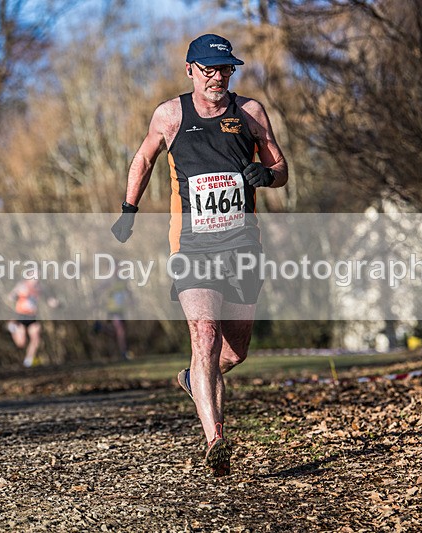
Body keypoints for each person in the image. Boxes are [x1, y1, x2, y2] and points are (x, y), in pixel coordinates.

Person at [111, 34, 288, 476]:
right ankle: (216, 439)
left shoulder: (250, 112)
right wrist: (129, 210)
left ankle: (195, 380)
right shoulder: (170, 115)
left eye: (225, 69)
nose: (217, 77)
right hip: (192, 245)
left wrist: (264, 174)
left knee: (234, 352)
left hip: (243, 244)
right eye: (208, 69)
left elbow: (281, 169)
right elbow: (144, 159)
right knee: (204, 335)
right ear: (190, 69)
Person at [7, 277, 58, 367]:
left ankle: (28, 361)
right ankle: (12, 328)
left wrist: (54, 303)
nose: (36, 278)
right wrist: (17, 295)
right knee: (21, 343)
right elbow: (11, 297)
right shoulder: (22, 285)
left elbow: (49, 299)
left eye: (38, 275)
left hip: (33, 316)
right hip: (21, 316)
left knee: (36, 339)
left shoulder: (40, 287)